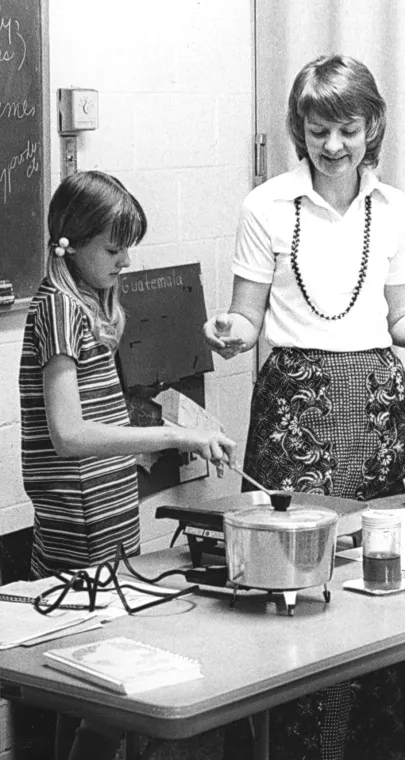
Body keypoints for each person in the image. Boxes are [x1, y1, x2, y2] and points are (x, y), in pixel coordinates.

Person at [203, 54, 405, 760]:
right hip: (295, 413)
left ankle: (381, 745)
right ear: (300, 129)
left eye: (347, 129)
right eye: (319, 129)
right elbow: (245, 319)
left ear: (371, 125)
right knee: (290, 582)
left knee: (381, 578)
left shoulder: (398, 209)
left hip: (379, 412)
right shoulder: (265, 206)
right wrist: (230, 336)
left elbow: (400, 320)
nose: (333, 146)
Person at [18, 170, 236, 760]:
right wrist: (170, 434)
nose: (126, 260)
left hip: (107, 510)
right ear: (70, 241)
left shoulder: (87, 305)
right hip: (79, 519)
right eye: (113, 249)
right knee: (103, 685)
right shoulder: (58, 309)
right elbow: (68, 435)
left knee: (98, 686)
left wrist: (185, 431)